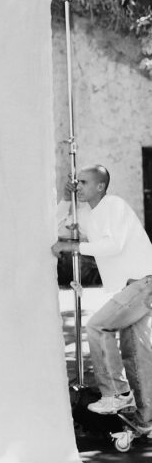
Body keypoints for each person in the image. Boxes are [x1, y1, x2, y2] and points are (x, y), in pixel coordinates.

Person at [52, 165, 152, 426]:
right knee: (135, 353)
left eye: (83, 182)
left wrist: (74, 246)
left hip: (144, 282)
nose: (78, 186)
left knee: (98, 326)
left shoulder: (114, 206)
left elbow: (113, 245)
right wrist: (65, 199)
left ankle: (116, 393)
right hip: (131, 287)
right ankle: (145, 421)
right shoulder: (87, 214)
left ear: (99, 186)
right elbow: (56, 227)